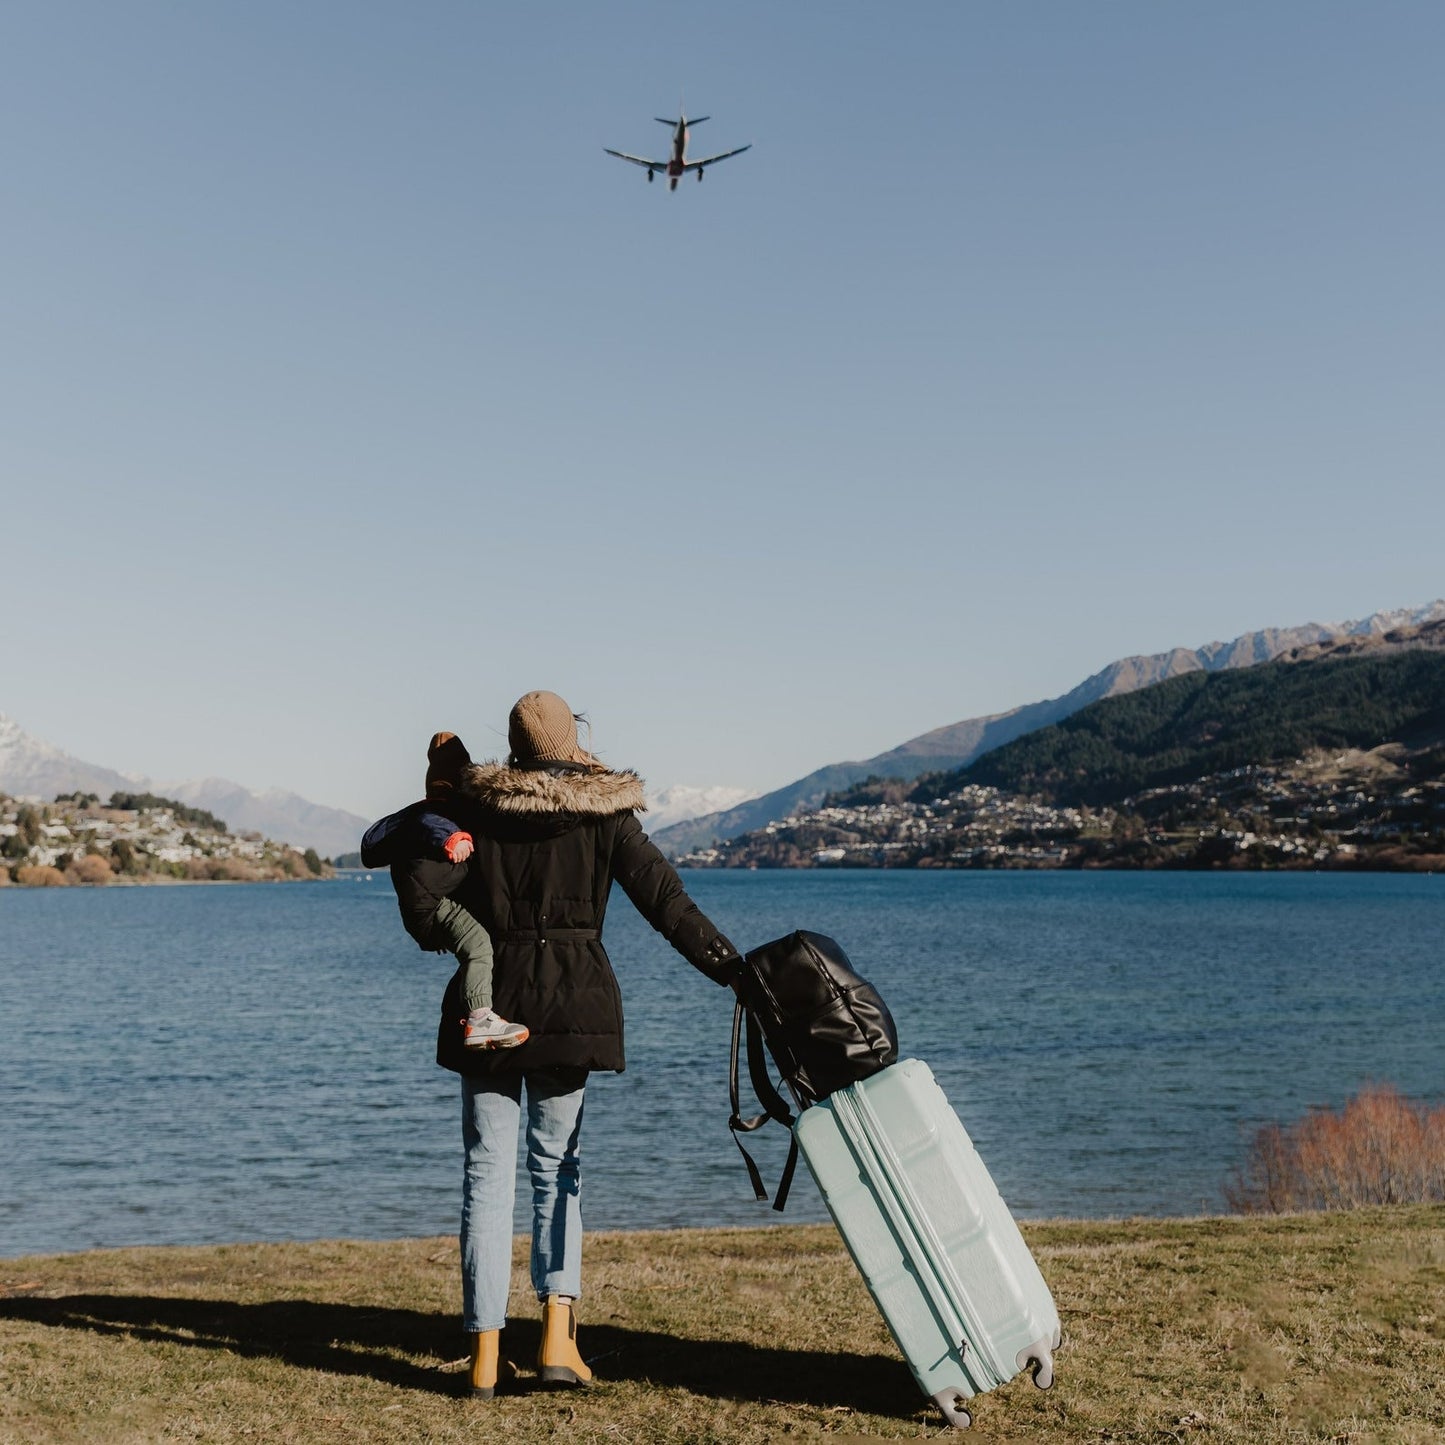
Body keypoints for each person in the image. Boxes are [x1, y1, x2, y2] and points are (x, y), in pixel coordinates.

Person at [426, 691, 741, 1399]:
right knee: (556, 1167)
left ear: (513, 747)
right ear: (573, 741)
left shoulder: (474, 810)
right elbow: (667, 901)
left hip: (490, 1004)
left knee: (486, 1173)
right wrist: (730, 967)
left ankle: (482, 1354)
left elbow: (426, 896)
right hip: (572, 1003)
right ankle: (558, 1343)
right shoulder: (605, 811)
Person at [360, 731, 528, 1050]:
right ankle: (480, 1019)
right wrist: (454, 839)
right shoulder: (436, 815)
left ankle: (480, 1010)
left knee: (471, 943)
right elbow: (433, 824)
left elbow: (371, 844)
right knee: (478, 946)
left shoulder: (411, 815)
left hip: (422, 909)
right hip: (433, 905)